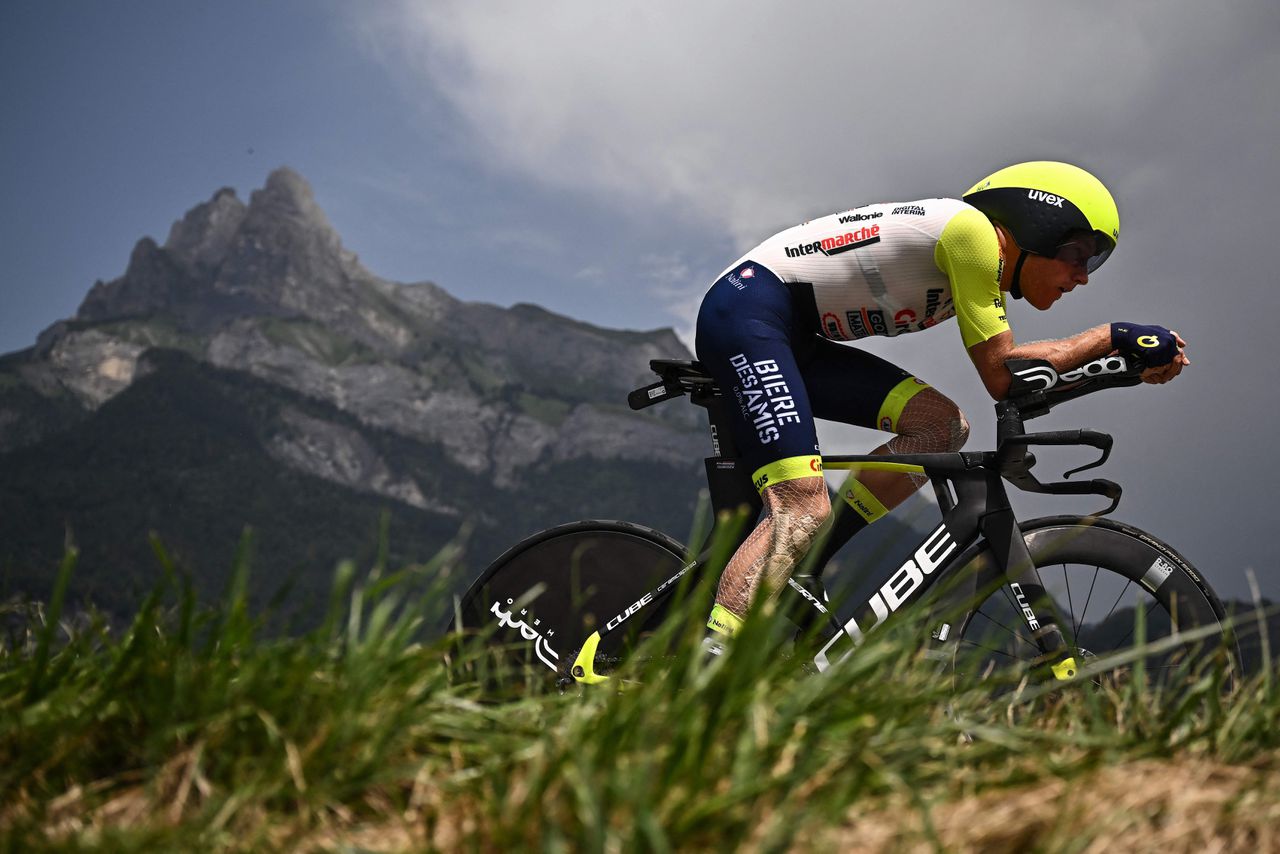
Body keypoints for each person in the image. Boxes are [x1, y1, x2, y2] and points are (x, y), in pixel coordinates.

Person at [695, 160, 1189, 651]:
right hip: (746, 313)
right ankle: (706, 670)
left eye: (1094, 262)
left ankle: (812, 560)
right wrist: (1112, 336)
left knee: (941, 427)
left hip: (791, 336)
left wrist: (1124, 369)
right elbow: (1002, 372)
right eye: (1078, 254)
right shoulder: (971, 234)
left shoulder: (980, 267)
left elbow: (1023, 383)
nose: (1082, 276)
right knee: (801, 505)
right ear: (1038, 225)